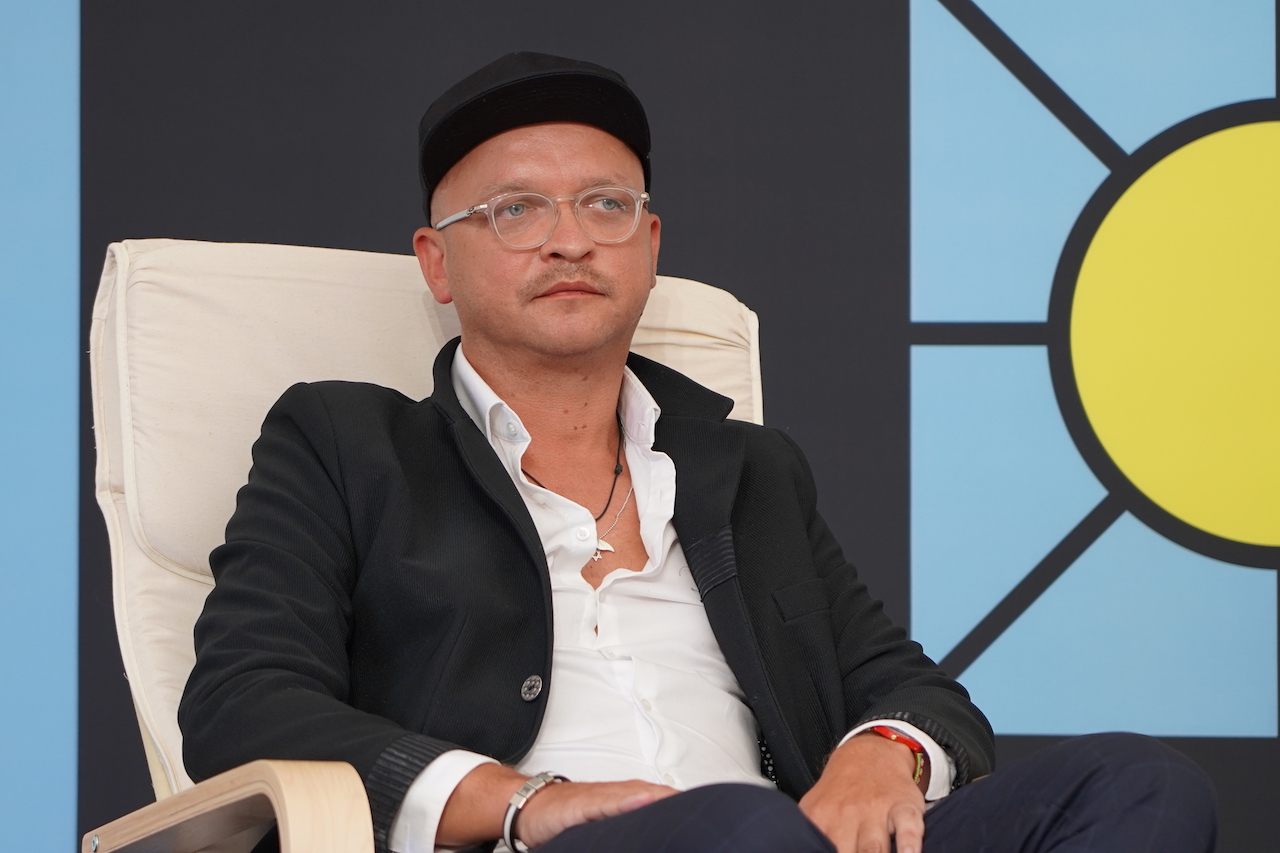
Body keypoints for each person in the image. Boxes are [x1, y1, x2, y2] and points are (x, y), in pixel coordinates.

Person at [179, 52, 1217, 853]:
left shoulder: (747, 469)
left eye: (606, 204)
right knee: (740, 825)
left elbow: (914, 688)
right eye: (515, 210)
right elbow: (242, 703)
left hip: (778, 835)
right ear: (436, 262)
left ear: (649, 246)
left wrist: (883, 751)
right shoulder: (345, 444)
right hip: (557, 841)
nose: (569, 239)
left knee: (1135, 784)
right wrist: (523, 802)